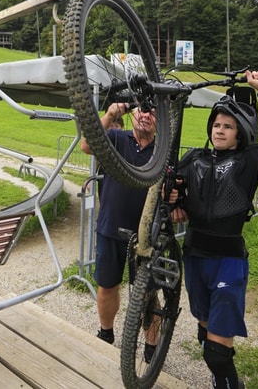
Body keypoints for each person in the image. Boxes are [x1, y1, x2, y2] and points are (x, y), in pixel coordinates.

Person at [168, 70, 258, 389]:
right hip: (195, 257)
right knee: (205, 336)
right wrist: (173, 202)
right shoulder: (194, 159)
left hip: (228, 261)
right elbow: (173, 189)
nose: (220, 130)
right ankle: (220, 380)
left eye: (228, 126)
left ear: (240, 132)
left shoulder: (250, 160)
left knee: (216, 353)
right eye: (217, 124)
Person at [81, 102, 157, 351]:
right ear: (133, 113)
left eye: (153, 113)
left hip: (146, 233)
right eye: (142, 110)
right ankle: (106, 332)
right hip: (111, 226)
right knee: (107, 285)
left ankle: (151, 345)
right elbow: (86, 145)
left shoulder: (162, 150)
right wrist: (110, 114)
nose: (146, 115)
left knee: (148, 292)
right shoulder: (116, 137)